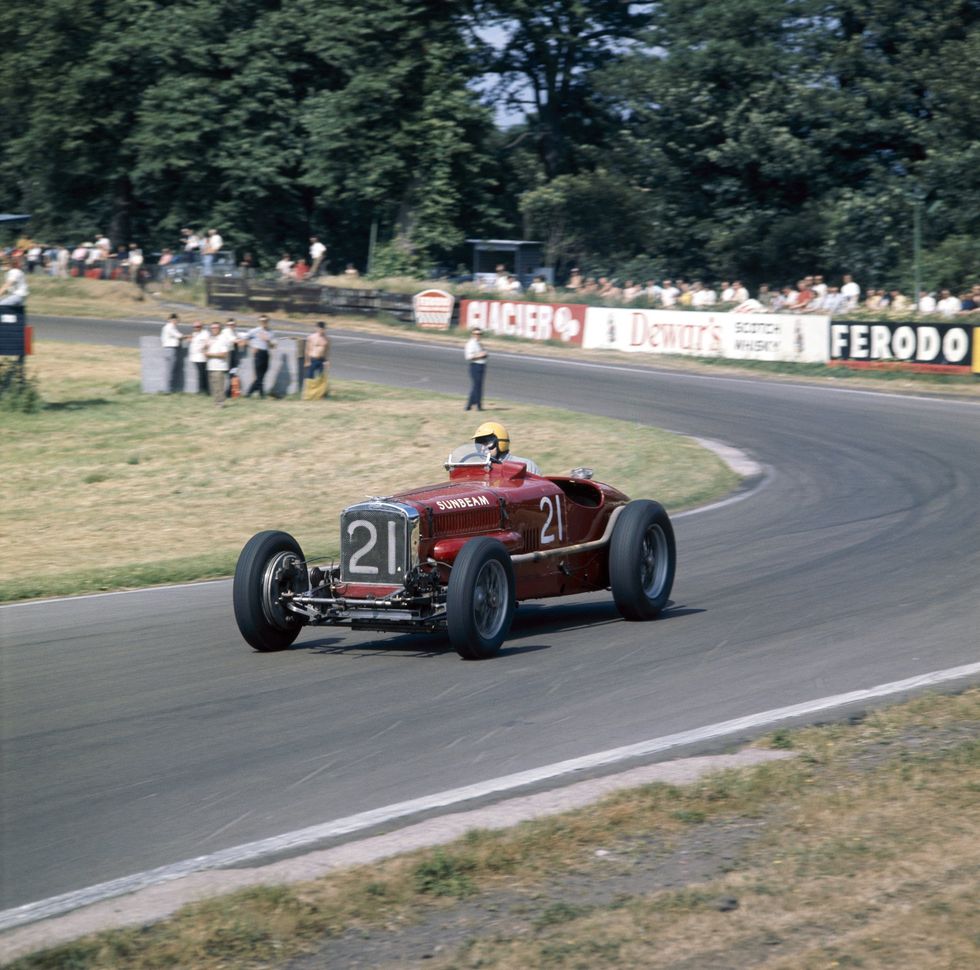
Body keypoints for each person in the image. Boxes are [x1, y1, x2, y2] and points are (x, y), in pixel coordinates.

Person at [472, 421, 541, 475]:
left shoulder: (526, 466)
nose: (483, 448)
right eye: (479, 444)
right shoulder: (477, 468)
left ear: (501, 442)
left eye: (487, 443)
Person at [243, 314, 277, 397]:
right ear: (259, 321)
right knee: (259, 375)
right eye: (262, 321)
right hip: (258, 353)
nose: (264, 322)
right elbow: (244, 339)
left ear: (268, 321)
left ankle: (252, 393)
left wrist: (267, 340)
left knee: (262, 375)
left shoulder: (271, 332)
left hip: (266, 353)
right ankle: (256, 393)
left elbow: (274, 346)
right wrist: (252, 346)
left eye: (265, 321)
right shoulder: (254, 331)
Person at [204, 322, 231, 407]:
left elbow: (224, 354)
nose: (214, 329)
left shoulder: (223, 339)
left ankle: (220, 403)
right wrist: (205, 347)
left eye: (216, 328)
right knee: (214, 386)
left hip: (219, 366)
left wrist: (210, 354)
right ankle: (216, 402)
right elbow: (206, 350)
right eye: (212, 328)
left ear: (220, 329)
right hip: (211, 366)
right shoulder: (211, 338)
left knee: (219, 386)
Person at [303, 320, 330, 399]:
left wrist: (327, 360)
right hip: (313, 359)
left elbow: (327, 350)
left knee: (321, 378)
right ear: (317, 328)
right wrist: (307, 361)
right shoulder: (311, 337)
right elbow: (307, 349)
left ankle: (320, 395)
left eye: (323, 329)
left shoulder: (327, 339)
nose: (322, 330)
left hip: (321, 360)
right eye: (320, 328)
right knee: (310, 377)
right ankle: (308, 395)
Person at [159, 313, 185, 392]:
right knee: (170, 370)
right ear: (174, 320)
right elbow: (179, 336)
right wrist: (189, 336)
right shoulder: (170, 327)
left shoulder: (167, 327)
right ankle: (167, 390)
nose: (177, 322)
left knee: (168, 370)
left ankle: (167, 389)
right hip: (170, 350)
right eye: (176, 320)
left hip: (167, 350)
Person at [464, 326, 487, 411]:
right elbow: (468, 356)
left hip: (481, 365)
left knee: (478, 386)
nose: (478, 335)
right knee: (477, 386)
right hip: (475, 365)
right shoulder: (471, 344)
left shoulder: (479, 343)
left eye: (480, 334)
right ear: (473, 334)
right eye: (477, 334)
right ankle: (478, 405)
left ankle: (469, 405)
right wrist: (480, 355)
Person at [187, 320, 210, 394]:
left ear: (202, 327)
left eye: (198, 326)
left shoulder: (205, 333)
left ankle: (202, 390)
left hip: (201, 357)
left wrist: (203, 349)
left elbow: (208, 343)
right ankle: (202, 390)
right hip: (195, 357)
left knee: (202, 374)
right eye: (195, 327)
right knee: (200, 374)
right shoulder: (194, 333)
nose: (196, 328)